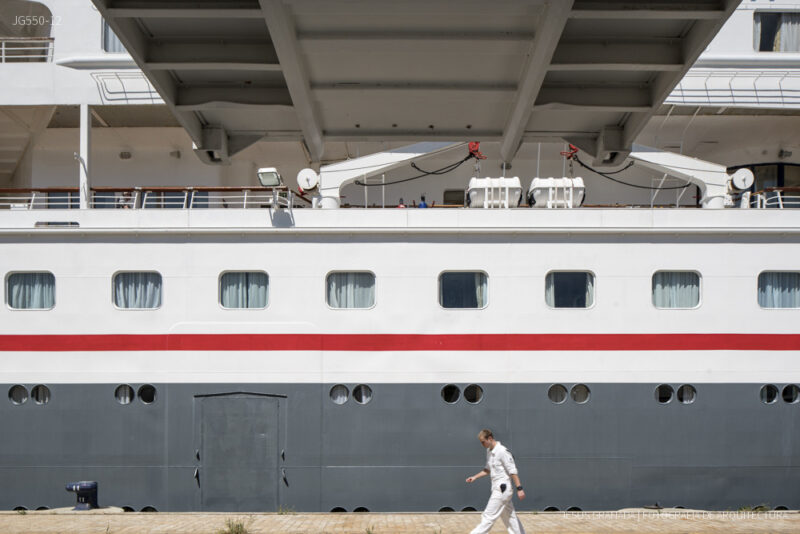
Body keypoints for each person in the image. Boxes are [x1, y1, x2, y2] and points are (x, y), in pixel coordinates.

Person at [466, 429, 526, 534]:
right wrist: (475, 477)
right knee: (510, 518)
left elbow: (512, 471)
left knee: (488, 516)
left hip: (502, 489)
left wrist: (519, 488)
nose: (482, 444)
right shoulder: (489, 451)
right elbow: (487, 469)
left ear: (490, 438)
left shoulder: (502, 451)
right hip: (497, 488)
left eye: (483, 442)